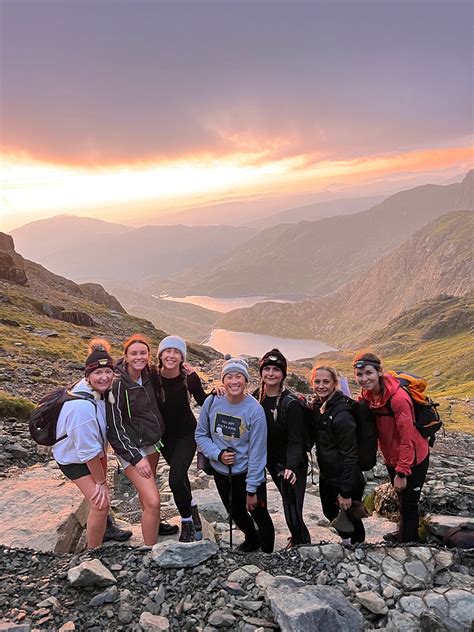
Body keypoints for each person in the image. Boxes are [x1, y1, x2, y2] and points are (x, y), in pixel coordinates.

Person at [196, 357, 275, 553]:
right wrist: (218, 454)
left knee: (259, 513)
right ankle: (252, 539)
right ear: (223, 381)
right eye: (229, 376)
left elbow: (257, 452)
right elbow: (200, 434)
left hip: (247, 472)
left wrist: (252, 490)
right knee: (235, 512)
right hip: (222, 471)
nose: (234, 381)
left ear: (246, 380)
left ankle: (268, 554)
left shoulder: (254, 410)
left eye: (238, 376)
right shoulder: (212, 401)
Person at [353, 351, 429, 543]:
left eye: (369, 373)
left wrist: (402, 472)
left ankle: (410, 544)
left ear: (379, 372)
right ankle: (404, 532)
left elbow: (408, 438)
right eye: (359, 374)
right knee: (402, 499)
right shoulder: (369, 395)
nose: (364, 378)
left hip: (413, 458)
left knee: (409, 503)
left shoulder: (398, 399)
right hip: (391, 457)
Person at [52, 339, 116, 549]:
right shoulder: (82, 408)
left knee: (101, 498)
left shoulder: (92, 390)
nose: (104, 377)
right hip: (75, 459)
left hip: (90, 451)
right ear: (88, 376)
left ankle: (106, 528)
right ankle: (92, 553)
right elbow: (88, 454)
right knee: (100, 503)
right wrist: (100, 482)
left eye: (108, 371)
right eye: (98, 373)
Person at [107, 334, 169, 546]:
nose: (139, 357)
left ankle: (155, 525)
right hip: (131, 447)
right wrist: (135, 457)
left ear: (148, 355)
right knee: (153, 500)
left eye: (143, 353)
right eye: (134, 353)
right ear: (125, 355)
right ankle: (150, 550)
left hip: (151, 442)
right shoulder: (116, 383)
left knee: (148, 493)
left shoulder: (150, 374)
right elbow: (113, 427)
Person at [156, 335, 215, 542]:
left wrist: (219, 391)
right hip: (165, 438)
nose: (171, 355)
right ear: (160, 355)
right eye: (167, 351)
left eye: (176, 352)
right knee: (180, 478)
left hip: (187, 434)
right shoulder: (153, 377)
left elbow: (204, 401)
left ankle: (187, 522)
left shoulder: (189, 377)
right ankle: (191, 507)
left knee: (174, 479)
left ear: (182, 357)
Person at [254, 349, 310, 547]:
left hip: (292, 464)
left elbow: (296, 440)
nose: (270, 373)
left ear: (283, 374)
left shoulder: (290, 404)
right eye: (266, 369)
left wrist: (291, 467)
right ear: (261, 372)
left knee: (292, 511)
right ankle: (299, 542)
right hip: (271, 461)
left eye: (276, 370)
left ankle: (302, 546)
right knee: (287, 506)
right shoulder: (255, 398)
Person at [311, 364, 366, 545]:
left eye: (326, 381)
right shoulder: (321, 405)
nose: (321, 385)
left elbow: (350, 456)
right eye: (317, 381)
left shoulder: (342, 415)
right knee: (330, 512)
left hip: (345, 478)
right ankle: (347, 543)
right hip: (328, 474)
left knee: (351, 516)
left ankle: (358, 549)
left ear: (335, 383)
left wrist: (346, 492)